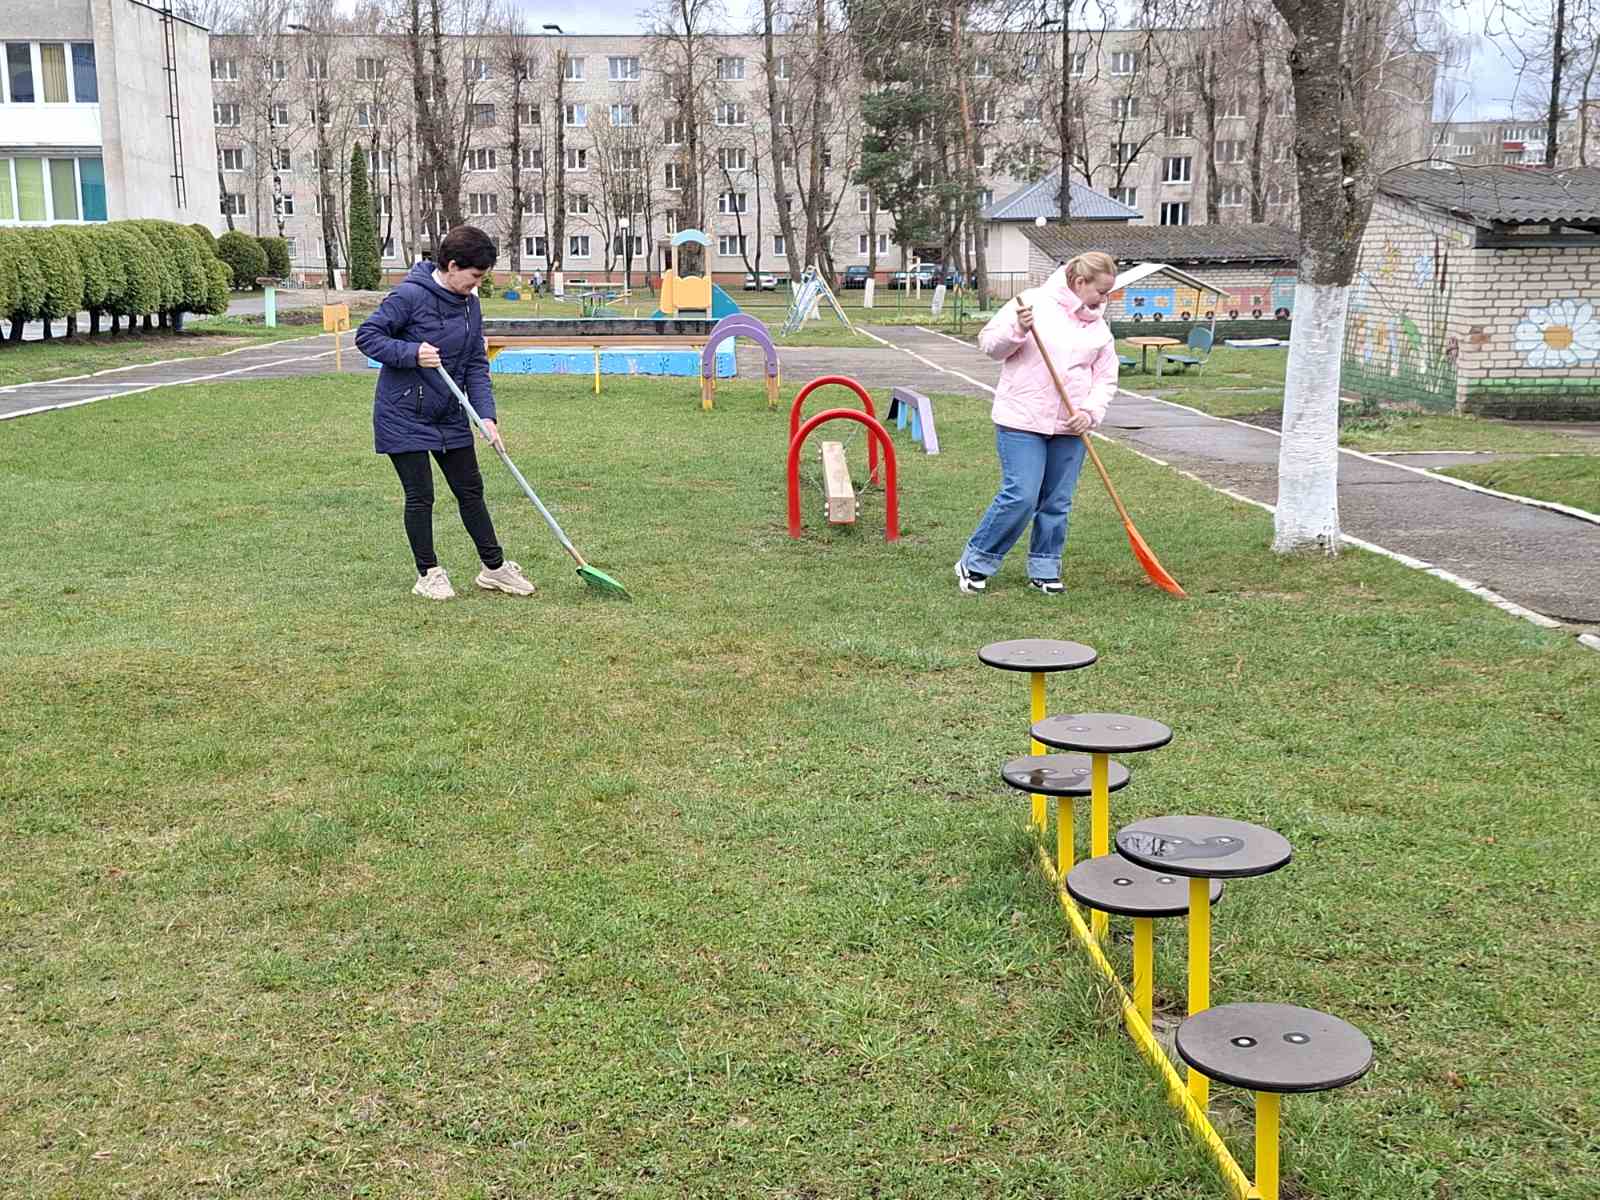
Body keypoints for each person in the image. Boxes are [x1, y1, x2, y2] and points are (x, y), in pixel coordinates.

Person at [356, 225, 536, 601]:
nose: (477, 285)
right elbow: (368, 336)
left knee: (471, 491)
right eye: (474, 276)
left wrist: (486, 417)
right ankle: (429, 573)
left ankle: (494, 568)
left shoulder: (470, 304)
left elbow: (475, 364)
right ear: (452, 266)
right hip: (403, 413)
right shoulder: (409, 295)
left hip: (449, 412)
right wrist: (412, 353)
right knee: (421, 495)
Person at [955, 251, 1119, 596]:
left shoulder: (1100, 328)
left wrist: (1089, 413)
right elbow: (990, 346)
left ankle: (1044, 568)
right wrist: (1018, 329)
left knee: (1057, 501)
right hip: (1022, 419)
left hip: (1070, 426)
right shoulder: (1032, 303)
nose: (1105, 299)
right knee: (1022, 495)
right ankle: (976, 561)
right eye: (1101, 291)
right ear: (1080, 282)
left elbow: (1105, 378)